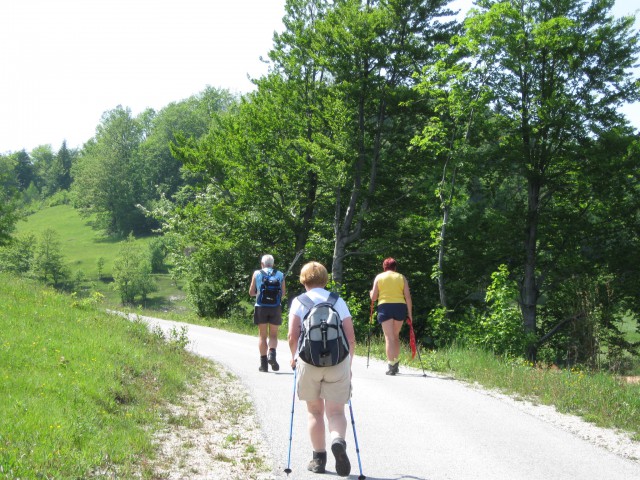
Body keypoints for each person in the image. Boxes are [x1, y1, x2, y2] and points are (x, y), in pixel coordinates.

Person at [288, 261, 356, 477]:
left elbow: (292, 335)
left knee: (314, 412)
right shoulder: (337, 301)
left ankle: (319, 460)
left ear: (303, 279)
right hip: (338, 362)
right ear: (325, 279)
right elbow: (351, 337)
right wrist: (349, 364)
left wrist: (293, 357)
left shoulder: (299, 301)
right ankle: (338, 441)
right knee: (336, 412)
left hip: (309, 362)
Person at [370, 257, 413, 376]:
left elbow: (373, 298)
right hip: (400, 306)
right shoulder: (401, 277)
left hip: (385, 306)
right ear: (395, 267)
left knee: (388, 337)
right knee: (395, 336)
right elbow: (408, 297)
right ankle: (396, 363)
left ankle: (391, 365)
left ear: (384, 267)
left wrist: (370, 293)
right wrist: (410, 314)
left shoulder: (379, 277)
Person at [249, 254, 286, 372]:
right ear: (273, 264)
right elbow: (283, 293)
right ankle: (272, 354)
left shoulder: (257, 273)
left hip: (261, 307)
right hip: (275, 307)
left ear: (262, 264)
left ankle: (263, 365)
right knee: (274, 335)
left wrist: (259, 293)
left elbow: (251, 292)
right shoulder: (280, 274)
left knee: (262, 336)